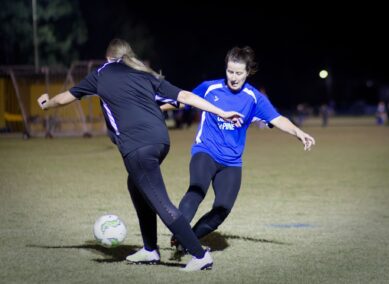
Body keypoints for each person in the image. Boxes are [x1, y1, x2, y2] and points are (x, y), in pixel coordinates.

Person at [37, 38, 243, 271]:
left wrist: (47, 103)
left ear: (108, 58)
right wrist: (221, 112)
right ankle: (149, 249)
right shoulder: (145, 73)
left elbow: (67, 97)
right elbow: (185, 96)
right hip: (161, 141)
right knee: (136, 185)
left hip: (137, 147)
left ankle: (199, 255)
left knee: (160, 201)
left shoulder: (101, 73)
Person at [166, 46, 315, 257]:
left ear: (248, 72)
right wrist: (155, 107)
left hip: (231, 162)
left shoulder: (254, 98)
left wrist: (298, 132)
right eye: (230, 71)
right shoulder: (209, 88)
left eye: (238, 73)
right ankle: (181, 234)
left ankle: (186, 239)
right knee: (197, 190)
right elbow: (183, 101)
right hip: (205, 151)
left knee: (223, 209)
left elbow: (277, 119)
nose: (233, 77)